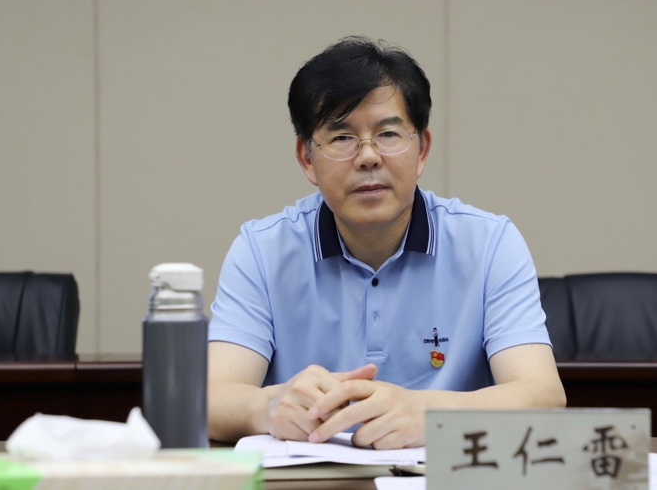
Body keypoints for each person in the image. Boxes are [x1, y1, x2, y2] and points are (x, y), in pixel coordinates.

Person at [207, 36, 566, 450]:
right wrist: (267, 406)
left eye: (389, 133)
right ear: (307, 158)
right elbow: (212, 398)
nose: (368, 156)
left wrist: (429, 414)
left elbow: (543, 396)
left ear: (422, 149)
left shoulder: (489, 244)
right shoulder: (262, 251)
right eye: (342, 137)